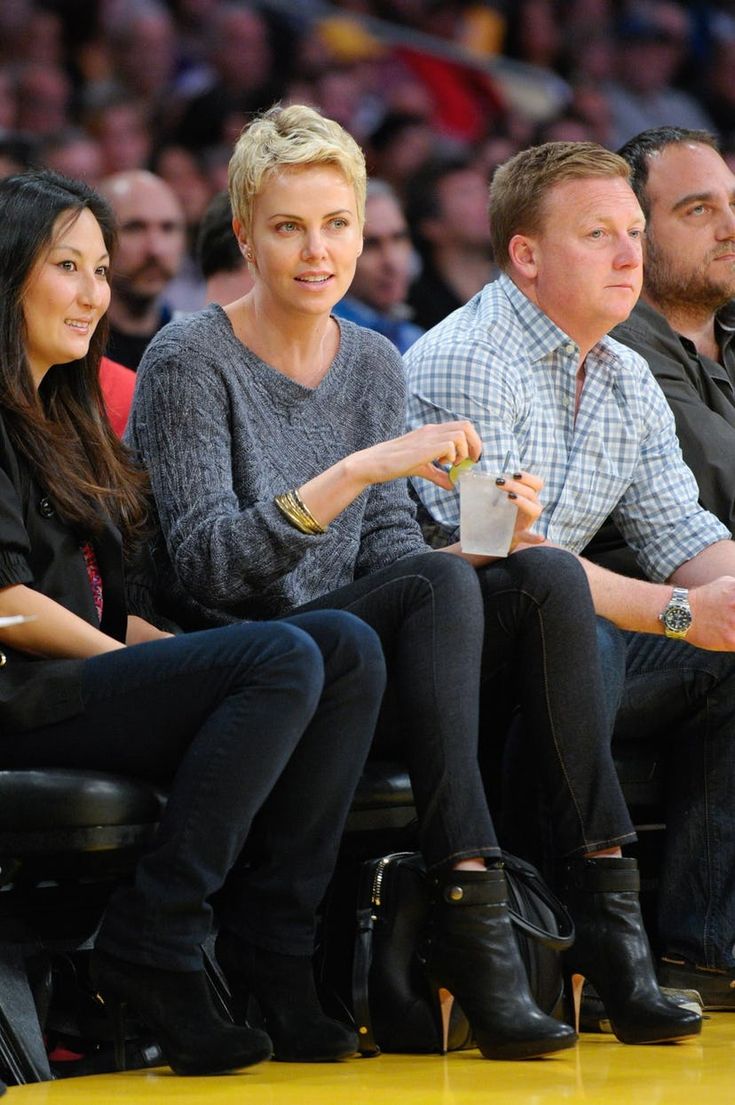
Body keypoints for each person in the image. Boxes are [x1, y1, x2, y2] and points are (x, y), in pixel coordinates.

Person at [128, 103, 698, 1051]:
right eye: (289, 226)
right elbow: (208, 567)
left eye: (336, 223)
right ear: (243, 234)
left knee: (544, 570)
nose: (319, 251)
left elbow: (394, 557)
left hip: (359, 660)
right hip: (246, 662)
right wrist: (354, 471)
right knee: (428, 596)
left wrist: (490, 533)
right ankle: (470, 912)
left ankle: (601, 909)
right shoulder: (190, 356)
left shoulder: (370, 359)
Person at [0, 168, 390, 1075]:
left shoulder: (71, 412)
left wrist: (182, 659)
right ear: (9, 273)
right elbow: (11, 607)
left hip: (72, 676)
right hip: (19, 694)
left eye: (101, 271)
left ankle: (278, 943)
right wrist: (149, 665)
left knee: (341, 648)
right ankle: (158, 937)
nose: (96, 293)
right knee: (278, 656)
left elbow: (113, 609)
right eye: (69, 267)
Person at [404, 139, 735, 1015]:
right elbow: (491, 549)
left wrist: (725, 601)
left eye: (633, 230)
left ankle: (704, 947)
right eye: (599, 234)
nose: (631, 255)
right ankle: (595, 928)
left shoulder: (626, 371)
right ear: (526, 254)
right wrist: (680, 613)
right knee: (564, 608)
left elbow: (682, 531)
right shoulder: (468, 356)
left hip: (567, 639)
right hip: (459, 659)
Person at [611, 127, 735, 540]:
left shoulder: (727, 321)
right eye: (698, 210)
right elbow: (725, 488)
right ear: (635, 234)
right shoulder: (619, 346)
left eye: (733, 204)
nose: (730, 227)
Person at [97, 169, 186, 369]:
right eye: (135, 228)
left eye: (168, 228)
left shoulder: (198, 349)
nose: (155, 249)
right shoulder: (68, 354)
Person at [333, 178, 422, 353]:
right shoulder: (323, 345)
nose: (392, 261)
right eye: (371, 245)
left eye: (398, 238)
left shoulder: (417, 340)